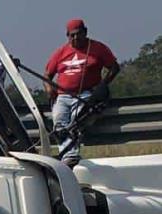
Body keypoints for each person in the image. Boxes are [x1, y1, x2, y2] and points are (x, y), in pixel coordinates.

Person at [44, 18, 120, 166]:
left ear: (85, 32)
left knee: (76, 120)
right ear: (67, 35)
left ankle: (70, 156)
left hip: (86, 95)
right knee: (59, 120)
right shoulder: (60, 52)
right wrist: (49, 89)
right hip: (63, 96)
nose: (75, 38)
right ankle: (69, 156)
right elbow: (47, 75)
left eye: (78, 34)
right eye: (72, 35)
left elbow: (114, 67)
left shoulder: (98, 48)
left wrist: (102, 86)